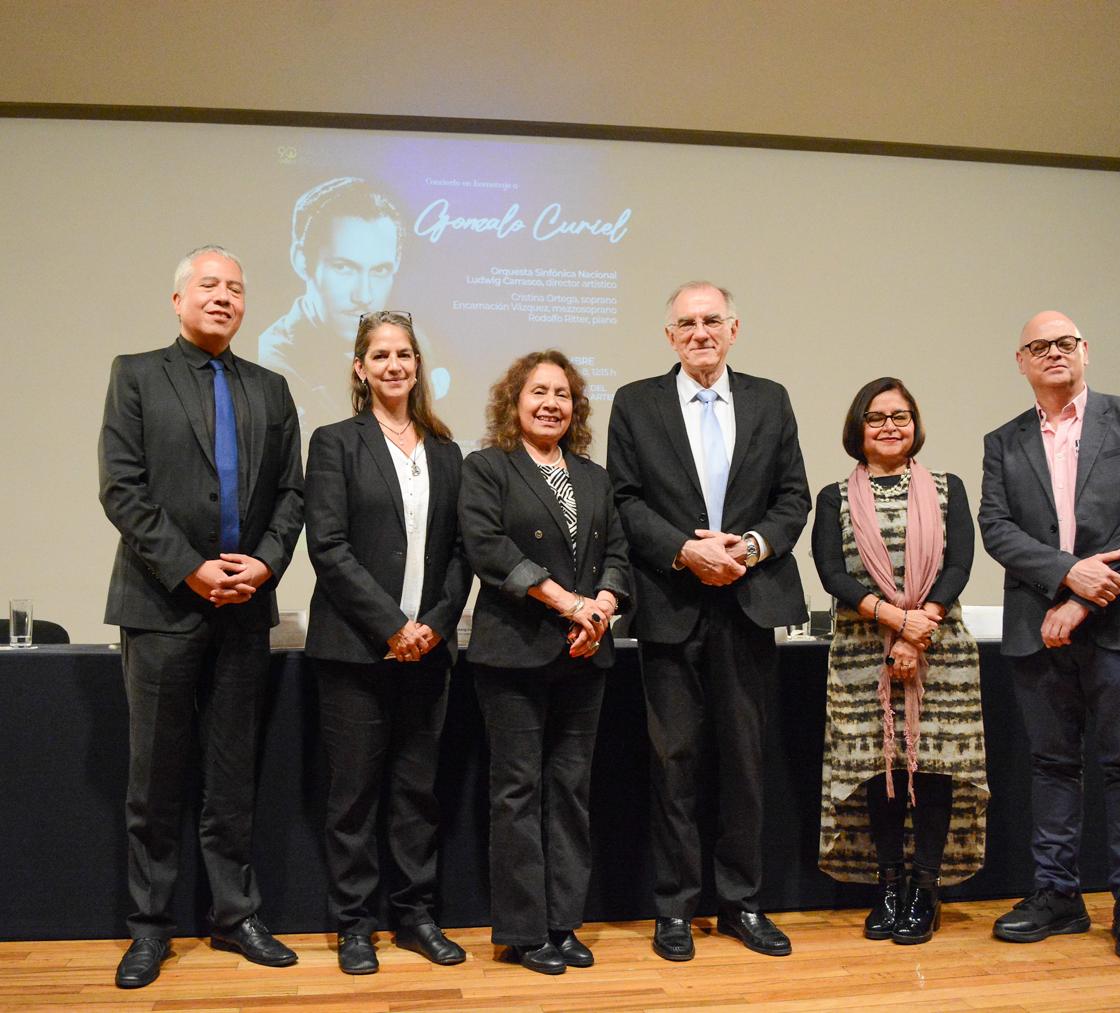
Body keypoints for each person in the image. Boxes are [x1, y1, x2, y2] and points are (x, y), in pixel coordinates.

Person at [99, 245, 304, 988]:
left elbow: (292, 495)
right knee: (154, 776)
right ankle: (149, 927)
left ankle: (234, 915)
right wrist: (189, 566)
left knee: (231, 774)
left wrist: (266, 562)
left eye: (235, 289)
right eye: (209, 286)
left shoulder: (271, 387)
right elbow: (122, 489)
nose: (223, 297)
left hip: (245, 608)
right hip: (160, 605)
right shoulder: (136, 374)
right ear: (179, 298)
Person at [606, 282, 811, 961]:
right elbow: (624, 499)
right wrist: (685, 549)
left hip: (749, 605)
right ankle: (674, 909)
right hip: (670, 602)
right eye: (687, 323)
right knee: (674, 764)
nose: (700, 332)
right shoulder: (635, 402)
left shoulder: (770, 398)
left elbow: (792, 498)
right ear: (670, 336)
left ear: (734, 328)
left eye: (712, 320)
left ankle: (743, 903)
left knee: (746, 765)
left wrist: (749, 548)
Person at [980, 310, 1120, 963]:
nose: (1054, 352)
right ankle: (1059, 895)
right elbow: (998, 529)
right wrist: (1068, 578)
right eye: (1040, 345)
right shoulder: (1002, 441)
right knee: (1053, 762)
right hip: (1041, 621)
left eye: (1065, 342)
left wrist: (1085, 599)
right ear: (1021, 360)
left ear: (1085, 350)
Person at [303, 310, 472, 975]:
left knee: (417, 792)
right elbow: (329, 546)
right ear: (359, 367)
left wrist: (431, 622)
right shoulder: (334, 442)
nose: (395, 364)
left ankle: (415, 915)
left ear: (416, 365)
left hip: (429, 649)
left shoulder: (447, 450)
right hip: (354, 648)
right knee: (353, 795)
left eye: (404, 353)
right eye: (381, 355)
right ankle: (354, 924)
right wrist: (391, 626)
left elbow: (462, 554)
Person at [459, 350, 631, 975]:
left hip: (585, 654)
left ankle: (563, 923)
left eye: (562, 393)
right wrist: (568, 604)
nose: (551, 403)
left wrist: (603, 606)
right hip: (514, 655)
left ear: (575, 407)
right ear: (515, 401)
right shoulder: (487, 469)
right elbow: (486, 546)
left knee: (570, 792)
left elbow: (618, 550)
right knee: (517, 792)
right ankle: (524, 931)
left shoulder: (593, 476)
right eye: (538, 392)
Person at [812, 378, 989, 946]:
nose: (890, 426)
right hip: (863, 649)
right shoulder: (834, 497)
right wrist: (893, 618)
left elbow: (961, 562)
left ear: (915, 425)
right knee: (880, 772)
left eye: (901, 416)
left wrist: (919, 626)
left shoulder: (946, 487)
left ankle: (925, 888)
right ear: (857, 429)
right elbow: (831, 574)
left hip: (940, 646)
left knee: (933, 771)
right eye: (876, 417)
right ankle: (888, 886)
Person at [258, 177, 449, 440]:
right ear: (301, 260)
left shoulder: (421, 342)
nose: (364, 295)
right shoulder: (273, 360)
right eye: (344, 268)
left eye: (380, 270)